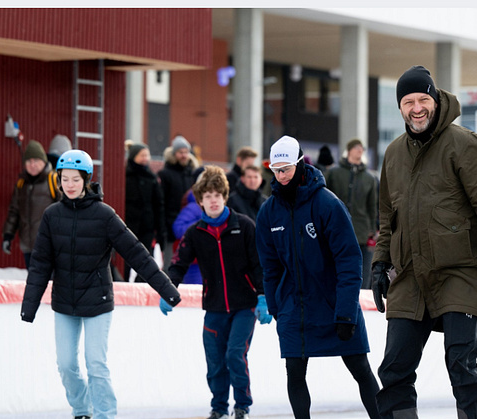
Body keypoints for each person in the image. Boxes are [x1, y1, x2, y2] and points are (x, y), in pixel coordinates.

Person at [371, 65, 477, 419]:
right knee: (394, 369)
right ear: (400, 107)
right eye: (408, 101)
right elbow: (387, 217)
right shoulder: (394, 153)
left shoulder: (465, 145)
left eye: (423, 99)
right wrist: (380, 263)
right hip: (410, 275)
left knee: (461, 364)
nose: (416, 108)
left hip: (462, 271)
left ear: (436, 100)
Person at [20, 150, 181, 419]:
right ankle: (82, 410)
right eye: (64, 179)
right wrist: (29, 306)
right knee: (67, 365)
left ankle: (105, 414)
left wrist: (167, 289)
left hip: (98, 301)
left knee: (95, 364)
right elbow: (39, 264)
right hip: (64, 302)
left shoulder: (104, 215)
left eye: (75, 179)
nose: (69, 185)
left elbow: (137, 253)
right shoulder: (52, 215)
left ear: (86, 180)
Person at [256, 135, 380, 419]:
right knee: (295, 373)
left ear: (300, 164)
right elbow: (270, 266)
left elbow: (349, 260)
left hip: (334, 303)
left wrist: (346, 311)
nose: (281, 175)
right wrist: (276, 306)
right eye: (276, 170)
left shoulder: (327, 204)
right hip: (293, 307)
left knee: (360, 369)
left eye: (286, 168)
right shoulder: (268, 213)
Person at [168, 165, 270, 419]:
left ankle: (242, 405)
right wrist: (167, 290)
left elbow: (260, 264)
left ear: (225, 197)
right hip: (214, 308)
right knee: (215, 362)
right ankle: (219, 408)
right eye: (207, 196)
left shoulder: (245, 226)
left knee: (235, 354)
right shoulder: (195, 233)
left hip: (245, 306)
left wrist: (263, 297)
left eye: (217, 195)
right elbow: (178, 264)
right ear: (200, 200)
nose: (213, 200)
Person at [325, 138, 378, 289]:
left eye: (362, 148)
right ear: (349, 151)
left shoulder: (370, 178)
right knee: (336, 267)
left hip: (362, 232)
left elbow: (372, 205)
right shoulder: (334, 173)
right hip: (336, 229)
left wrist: (372, 230)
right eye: (356, 148)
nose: (359, 150)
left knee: (362, 270)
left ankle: (361, 300)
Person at [2, 140, 61, 268]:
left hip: (49, 246)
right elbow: (14, 211)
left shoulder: (54, 180)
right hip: (28, 246)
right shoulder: (21, 184)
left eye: (36, 161)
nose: (32, 164)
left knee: (51, 283)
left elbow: (66, 209)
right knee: (35, 284)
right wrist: (8, 235)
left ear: (43, 161)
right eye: (28, 161)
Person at [124, 141, 166, 282]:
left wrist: (160, 230)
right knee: (125, 260)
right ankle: (121, 285)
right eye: (142, 155)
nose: (145, 158)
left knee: (146, 261)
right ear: (134, 156)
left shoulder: (152, 177)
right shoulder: (125, 176)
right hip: (128, 226)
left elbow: (159, 205)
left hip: (147, 227)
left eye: (147, 155)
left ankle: (140, 286)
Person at [158, 135, 200, 269]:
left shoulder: (191, 174)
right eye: (180, 152)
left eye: (186, 152)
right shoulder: (165, 174)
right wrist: (163, 227)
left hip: (188, 226)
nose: (184, 155)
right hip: (170, 227)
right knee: (170, 263)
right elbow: (161, 203)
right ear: (174, 154)